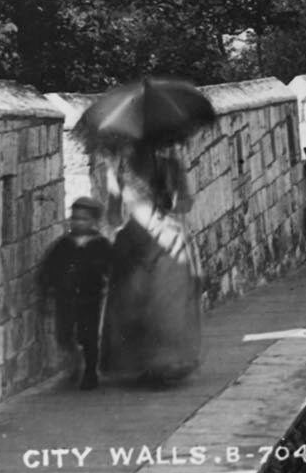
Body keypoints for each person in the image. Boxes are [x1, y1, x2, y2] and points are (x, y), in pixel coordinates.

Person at [101, 144, 202, 384]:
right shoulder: (170, 165)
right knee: (167, 300)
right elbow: (184, 205)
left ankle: (139, 364)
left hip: (134, 238)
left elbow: (113, 217)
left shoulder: (118, 170)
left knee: (132, 299)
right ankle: (164, 362)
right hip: (167, 237)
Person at [35, 196, 111, 389]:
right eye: (74, 218)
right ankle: (74, 363)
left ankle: (90, 373)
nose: (77, 222)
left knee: (89, 336)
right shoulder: (63, 244)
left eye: (83, 219)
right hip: (65, 298)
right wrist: (46, 287)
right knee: (65, 333)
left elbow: (111, 267)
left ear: (94, 221)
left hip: (90, 298)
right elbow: (49, 267)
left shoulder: (100, 245)